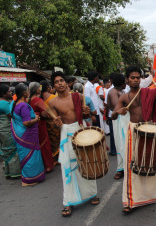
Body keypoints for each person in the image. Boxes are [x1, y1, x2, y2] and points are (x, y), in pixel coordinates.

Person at [112, 66, 156, 213]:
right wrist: (119, 111)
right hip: (133, 131)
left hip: (150, 130)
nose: (135, 80)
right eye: (132, 78)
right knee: (131, 165)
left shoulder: (150, 93)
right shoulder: (124, 97)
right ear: (127, 80)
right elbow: (113, 115)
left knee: (151, 162)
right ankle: (130, 201)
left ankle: (151, 196)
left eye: (138, 77)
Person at [49, 72, 99, 217]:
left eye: (62, 80)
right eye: (56, 82)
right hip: (66, 134)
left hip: (80, 131)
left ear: (66, 82)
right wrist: (57, 124)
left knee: (86, 163)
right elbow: (56, 122)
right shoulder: (53, 103)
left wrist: (86, 112)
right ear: (54, 85)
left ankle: (92, 194)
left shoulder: (78, 97)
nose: (60, 83)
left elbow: (85, 116)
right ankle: (68, 202)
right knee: (67, 168)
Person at [10, 83, 45, 186]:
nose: (29, 93)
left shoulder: (15, 104)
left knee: (25, 156)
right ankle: (30, 179)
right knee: (31, 157)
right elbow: (26, 122)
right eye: (28, 91)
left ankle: (27, 178)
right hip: (26, 136)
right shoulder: (23, 105)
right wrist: (36, 119)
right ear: (25, 93)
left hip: (22, 135)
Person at [29, 82, 55, 172]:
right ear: (37, 90)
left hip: (32, 125)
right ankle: (48, 165)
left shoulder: (28, 100)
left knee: (37, 144)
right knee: (44, 144)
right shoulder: (38, 100)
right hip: (40, 124)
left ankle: (40, 165)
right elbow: (45, 113)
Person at [108, 73, 129, 179]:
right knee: (120, 144)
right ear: (122, 83)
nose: (126, 84)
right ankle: (120, 169)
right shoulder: (113, 91)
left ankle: (126, 166)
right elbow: (118, 106)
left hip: (124, 119)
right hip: (118, 120)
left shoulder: (121, 91)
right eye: (125, 82)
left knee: (126, 143)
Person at [0, 84, 21, 179]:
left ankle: (8, 172)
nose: (10, 93)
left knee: (6, 150)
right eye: (8, 92)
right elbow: (12, 116)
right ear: (3, 94)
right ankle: (14, 173)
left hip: (3, 130)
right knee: (12, 150)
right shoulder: (4, 104)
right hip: (7, 130)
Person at [40, 80, 60, 164]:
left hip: (45, 123)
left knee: (49, 141)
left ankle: (50, 158)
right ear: (48, 88)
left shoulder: (39, 98)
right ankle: (57, 159)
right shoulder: (53, 97)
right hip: (54, 121)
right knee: (56, 140)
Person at [104, 73, 117, 155]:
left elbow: (107, 104)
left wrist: (106, 116)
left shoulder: (109, 90)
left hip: (111, 115)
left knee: (113, 134)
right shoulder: (125, 89)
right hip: (121, 115)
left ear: (111, 80)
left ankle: (113, 150)